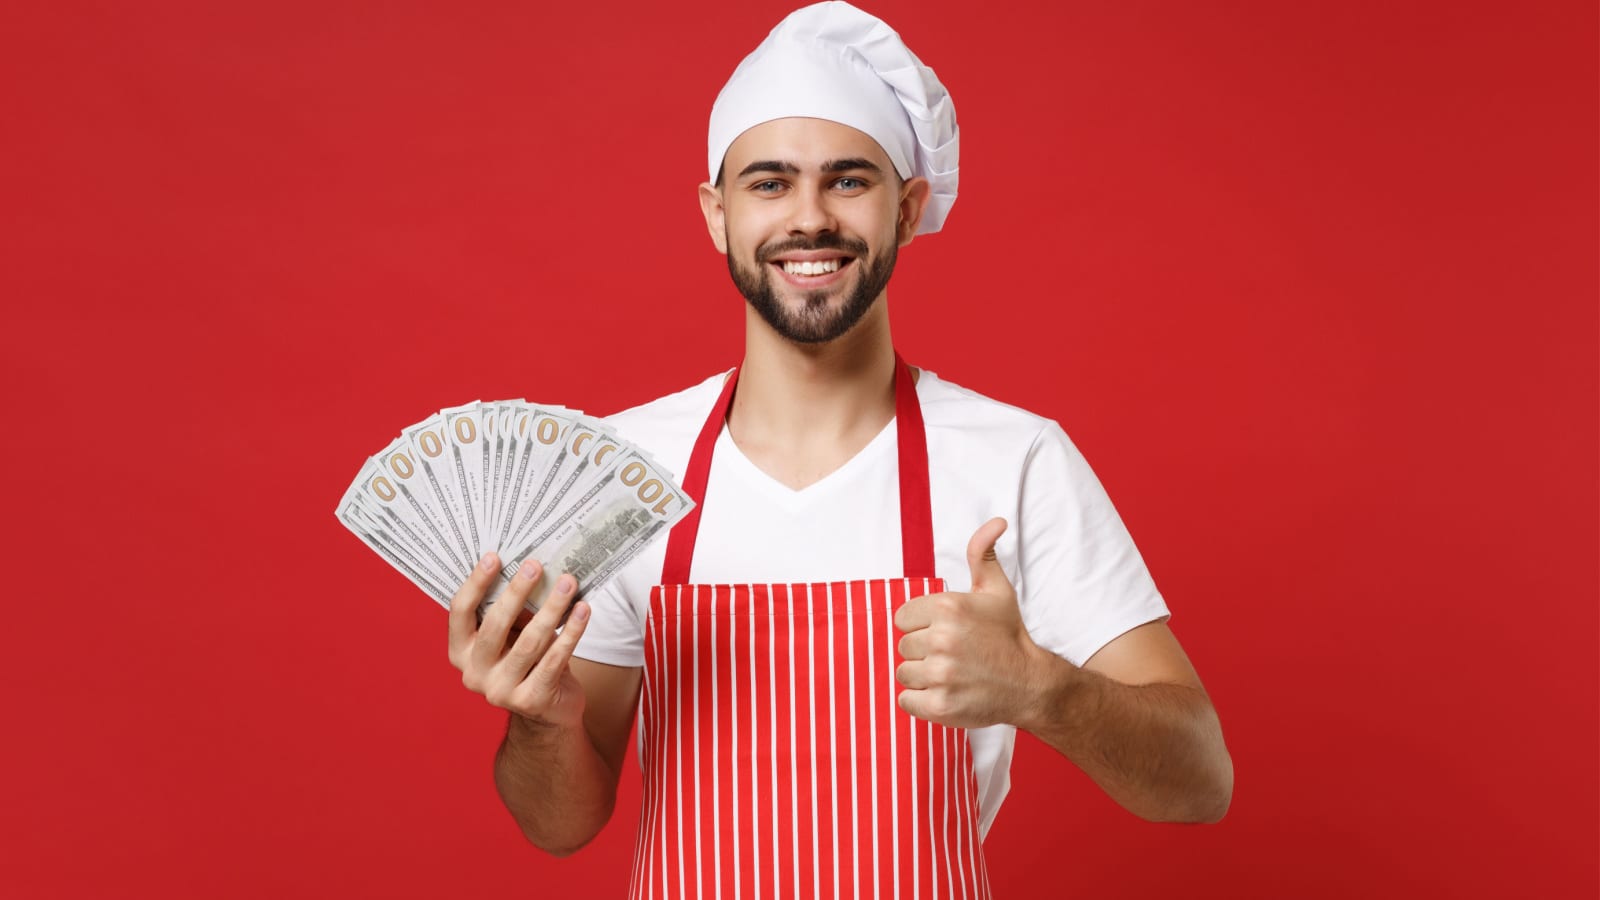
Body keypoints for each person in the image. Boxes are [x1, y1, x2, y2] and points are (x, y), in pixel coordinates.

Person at [447, 2, 1232, 895]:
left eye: (849, 181)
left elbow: (1201, 782)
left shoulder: (1015, 462)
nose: (808, 219)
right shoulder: (625, 472)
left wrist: (1045, 692)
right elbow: (561, 827)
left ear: (908, 206)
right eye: (770, 183)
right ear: (717, 213)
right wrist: (542, 722)